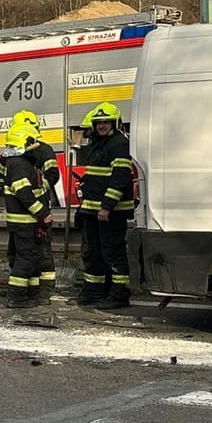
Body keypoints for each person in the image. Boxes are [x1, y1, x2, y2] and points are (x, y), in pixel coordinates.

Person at [0, 110, 61, 294]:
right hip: (25, 211)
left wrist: (39, 189)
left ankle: (43, 289)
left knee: (41, 252)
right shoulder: (11, 154)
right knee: (22, 254)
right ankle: (23, 290)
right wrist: (3, 188)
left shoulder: (44, 149)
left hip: (37, 210)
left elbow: (53, 174)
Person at [77, 102, 135, 309]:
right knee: (92, 252)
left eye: (105, 122)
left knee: (113, 253)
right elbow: (97, 176)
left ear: (114, 123)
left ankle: (119, 295)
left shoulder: (119, 144)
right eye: (98, 122)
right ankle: (94, 292)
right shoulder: (97, 144)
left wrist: (106, 207)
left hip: (111, 212)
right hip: (93, 210)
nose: (101, 125)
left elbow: (119, 179)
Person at [0, 123, 52, 307]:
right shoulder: (19, 165)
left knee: (31, 258)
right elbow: (24, 194)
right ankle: (16, 297)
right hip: (25, 222)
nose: (36, 145)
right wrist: (43, 213)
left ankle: (31, 293)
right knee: (26, 258)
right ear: (25, 142)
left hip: (27, 221)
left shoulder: (20, 163)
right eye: (33, 142)